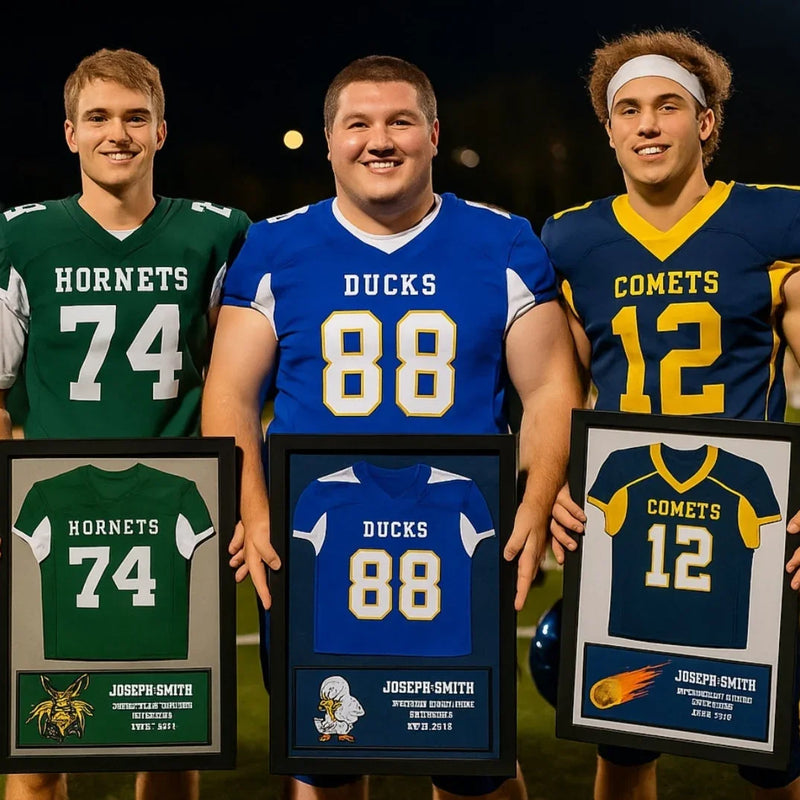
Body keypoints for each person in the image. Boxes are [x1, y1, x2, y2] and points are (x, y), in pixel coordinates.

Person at [201, 54, 581, 800]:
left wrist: (534, 506)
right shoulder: (276, 247)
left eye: (401, 121)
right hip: (315, 543)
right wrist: (251, 509)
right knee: (327, 760)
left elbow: (551, 387)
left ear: (434, 135)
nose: (381, 140)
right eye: (359, 124)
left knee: (473, 764)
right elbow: (231, 395)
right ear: (330, 140)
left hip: (457, 539)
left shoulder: (501, 241)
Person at [543, 28, 800, 800]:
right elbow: (560, 387)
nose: (647, 124)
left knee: (770, 750)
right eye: (628, 110)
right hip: (628, 519)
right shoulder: (573, 237)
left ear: (706, 121)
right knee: (621, 741)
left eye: (667, 106)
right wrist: (548, 483)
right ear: (609, 128)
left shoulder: (769, 220)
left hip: (748, 522)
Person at [0, 47, 251, 800]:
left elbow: (236, 379)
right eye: (99, 117)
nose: (118, 133)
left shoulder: (216, 234)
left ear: (162, 132)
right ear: (70, 133)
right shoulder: (21, 236)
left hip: (175, 499)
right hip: (51, 505)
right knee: (39, 750)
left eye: (135, 117)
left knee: (171, 739)